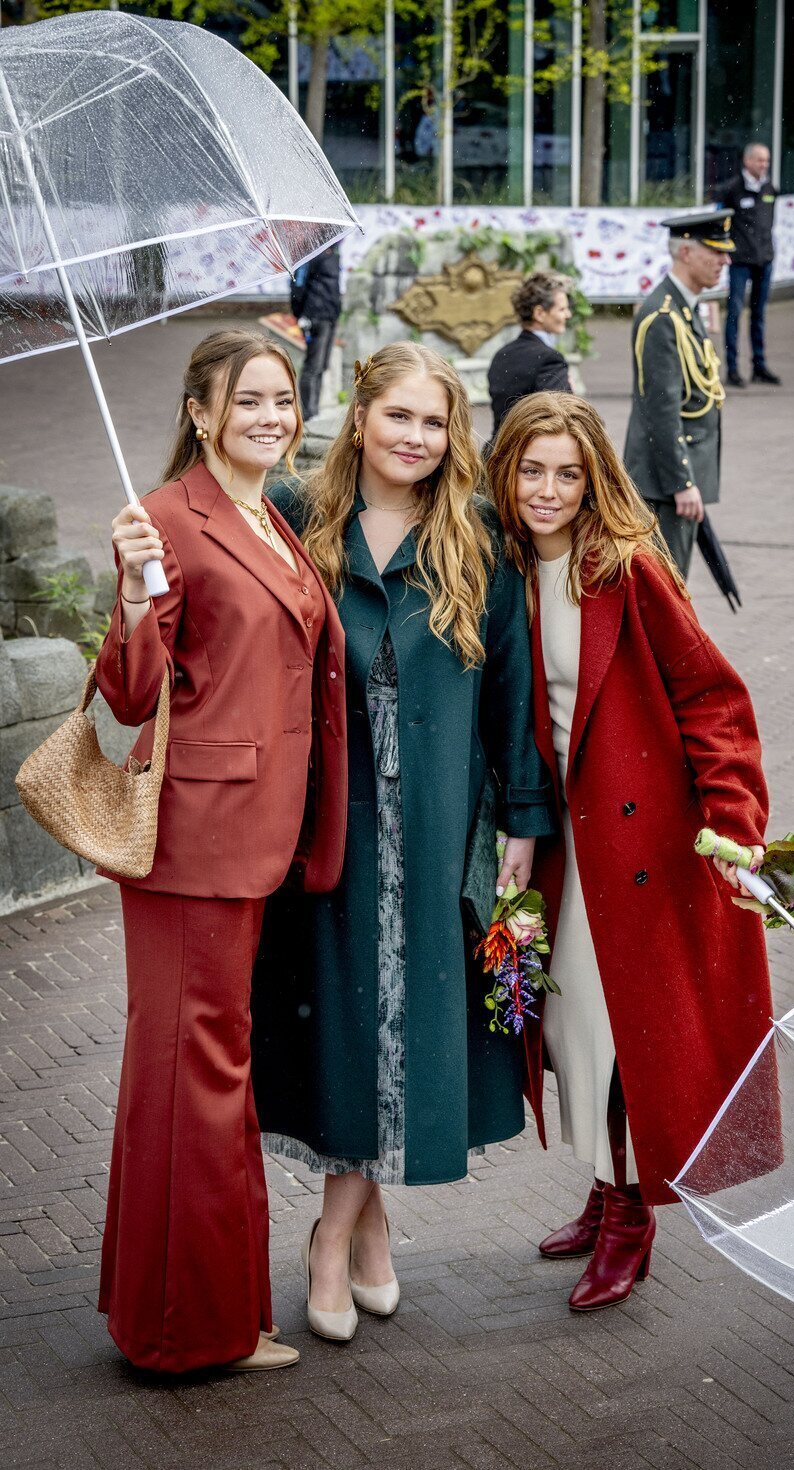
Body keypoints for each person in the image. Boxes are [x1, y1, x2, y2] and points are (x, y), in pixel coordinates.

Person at [251, 343, 554, 1343]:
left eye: (434, 422)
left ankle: (332, 1237)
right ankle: (359, 1231)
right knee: (347, 1021)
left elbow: (510, 694)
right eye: (399, 418)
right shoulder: (298, 516)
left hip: (435, 825)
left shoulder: (478, 540)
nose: (416, 439)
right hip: (323, 823)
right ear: (360, 413)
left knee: (408, 1021)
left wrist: (521, 822)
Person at [487, 391, 775, 1312]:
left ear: (594, 478)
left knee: (611, 1031)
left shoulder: (628, 568)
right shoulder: (499, 568)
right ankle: (606, 1190)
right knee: (569, 1028)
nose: (548, 490)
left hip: (639, 845)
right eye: (532, 470)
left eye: (568, 474)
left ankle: (633, 1218)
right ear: (507, 471)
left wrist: (733, 821)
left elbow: (711, 699)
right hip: (553, 841)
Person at [94, 329, 347, 1373]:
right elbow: (129, 691)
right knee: (194, 1070)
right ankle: (185, 1331)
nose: (271, 417)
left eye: (283, 399)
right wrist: (131, 590)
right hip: (195, 844)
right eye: (248, 400)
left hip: (258, 836)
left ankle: (205, 1310)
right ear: (200, 411)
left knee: (206, 1069)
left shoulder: (267, 513)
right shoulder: (165, 518)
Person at [623, 209, 732, 579]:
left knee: (671, 588)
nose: (724, 260)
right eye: (715, 251)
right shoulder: (663, 316)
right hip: (665, 484)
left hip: (676, 480)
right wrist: (682, 483)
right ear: (686, 252)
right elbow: (661, 410)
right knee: (666, 591)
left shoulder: (684, 307)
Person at [714, 142, 781, 387]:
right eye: (760, 160)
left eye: (766, 161)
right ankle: (732, 369)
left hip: (764, 260)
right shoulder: (730, 190)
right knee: (734, 314)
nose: (764, 165)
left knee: (759, 315)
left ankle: (759, 366)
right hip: (739, 261)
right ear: (747, 161)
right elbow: (720, 224)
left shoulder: (770, 188)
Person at [487, 272, 572, 440]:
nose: (568, 315)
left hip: (495, 453)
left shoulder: (502, 354)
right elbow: (561, 418)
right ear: (539, 313)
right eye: (562, 309)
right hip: (527, 456)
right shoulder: (550, 359)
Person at [291, 244, 343, 420]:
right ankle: (307, 412)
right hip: (313, 317)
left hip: (330, 317)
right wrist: (300, 314)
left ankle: (315, 410)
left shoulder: (334, 254)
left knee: (322, 366)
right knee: (312, 366)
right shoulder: (309, 254)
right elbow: (298, 285)